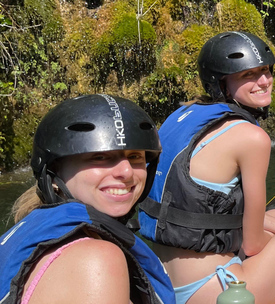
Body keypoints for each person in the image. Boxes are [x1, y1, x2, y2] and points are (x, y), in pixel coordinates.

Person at [138, 31, 275, 304]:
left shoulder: (182, 115)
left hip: (164, 283)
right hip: (215, 287)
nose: (264, 81)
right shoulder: (252, 138)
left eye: (265, 71)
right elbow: (253, 245)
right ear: (222, 84)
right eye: (248, 75)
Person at [0, 94, 175, 304]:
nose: (127, 172)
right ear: (54, 172)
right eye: (100, 157)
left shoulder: (36, 229)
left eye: (135, 157)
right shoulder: (97, 260)